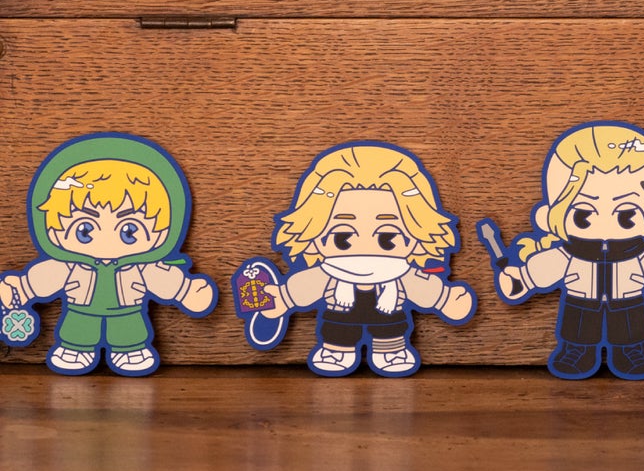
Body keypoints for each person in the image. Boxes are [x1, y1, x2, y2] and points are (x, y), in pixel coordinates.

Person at [489, 122, 644, 380]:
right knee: (578, 329)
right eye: (583, 214)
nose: (605, 223)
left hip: (628, 302)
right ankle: (576, 351)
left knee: (630, 330)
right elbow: (545, 268)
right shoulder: (567, 254)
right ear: (549, 215)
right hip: (580, 302)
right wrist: (522, 279)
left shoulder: (641, 255)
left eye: (627, 214)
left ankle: (631, 351)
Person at [249, 142, 474, 376]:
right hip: (339, 323)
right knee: (338, 332)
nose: (365, 251)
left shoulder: (403, 275)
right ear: (313, 235)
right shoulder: (326, 274)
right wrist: (283, 299)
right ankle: (336, 351)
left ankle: (391, 352)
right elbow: (304, 286)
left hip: (390, 324)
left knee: (390, 331)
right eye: (342, 237)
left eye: (387, 238)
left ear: (418, 236)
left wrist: (445, 300)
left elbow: (424, 289)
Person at [0, 132, 216, 375]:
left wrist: (186, 291)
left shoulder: (141, 268)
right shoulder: (69, 266)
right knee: (77, 328)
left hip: (128, 313)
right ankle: (75, 348)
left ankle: (130, 349)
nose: (105, 241)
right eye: (85, 230)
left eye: (129, 231)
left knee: (130, 330)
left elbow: (162, 280)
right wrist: (20, 289)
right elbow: (45, 278)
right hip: (80, 312)